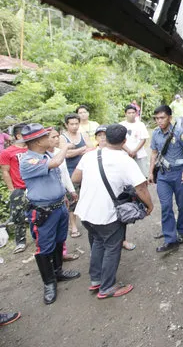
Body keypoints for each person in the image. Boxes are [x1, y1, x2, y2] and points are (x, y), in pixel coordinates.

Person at [72, 124, 153, 299]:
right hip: (107, 214)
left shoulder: (89, 155)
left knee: (98, 243)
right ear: (124, 141)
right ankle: (107, 287)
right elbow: (141, 188)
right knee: (112, 247)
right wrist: (150, 206)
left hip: (85, 212)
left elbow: (75, 178)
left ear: (105, 138)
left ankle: (96, 280)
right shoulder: (125, 160)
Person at [19, 124, 81, 304]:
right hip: (43, 212)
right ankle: (49, 283)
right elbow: (55, 163)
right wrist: (65, 148)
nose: (51, 138)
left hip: (59, 207)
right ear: (38, 141)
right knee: (44, 247)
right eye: (47, 136)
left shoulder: (46, 154)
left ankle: (58, 272)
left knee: (59, 240)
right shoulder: (29, 160)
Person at [149, 105, 183, 252]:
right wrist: (150, 172)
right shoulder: (155, 134)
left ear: (169, 118)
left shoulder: (180, 132)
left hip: (178, 174)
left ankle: (181, 231)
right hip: (163, 175)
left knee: (181, 205)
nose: (159, 121)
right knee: (166, 206)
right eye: (157, 118)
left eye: (162, 118)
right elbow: (154, 153)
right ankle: (170, 238)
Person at [95, 125, 135, 251]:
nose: (102, 138)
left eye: (104, 135)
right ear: (95, 138)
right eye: (99, 135)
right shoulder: (90, 154)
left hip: (117, 195)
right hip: (98, 196)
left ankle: (122, 241)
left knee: (121, 218)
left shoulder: (121, 155)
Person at [48, 128, 80, 261]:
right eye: (53, 137)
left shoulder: (57, 152)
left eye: (57, 136)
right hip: (46, 200)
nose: (57, 139)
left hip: (60, 195)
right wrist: (66, 147)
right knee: (48, 231)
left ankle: (61, 255)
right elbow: (55, 163)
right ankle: (51, 261)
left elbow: (65, 174)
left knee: (61, 229)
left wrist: (71, 190)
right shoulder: (35, 157)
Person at [61, 113, 92, 239]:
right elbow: (65, 154)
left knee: (89, 196)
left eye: (76, 124)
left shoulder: (83, 135)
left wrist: (75, 151)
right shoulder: (63, 138)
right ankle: (73, 225)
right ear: (66, 125)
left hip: (86, 171)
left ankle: (90, 220)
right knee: (72, 199)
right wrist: (81, 150)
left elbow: (91, 148)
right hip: (69, 172)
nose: (74, 126)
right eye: (72, 124)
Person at [0, 124, 28, 253]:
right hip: (18, 187)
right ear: (18, 135)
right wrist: (11, 189)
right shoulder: (7, 152)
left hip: (34, 185)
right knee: (18, 216)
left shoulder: (32, 148)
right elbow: (5, 171)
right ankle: (20, 241)